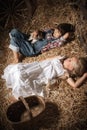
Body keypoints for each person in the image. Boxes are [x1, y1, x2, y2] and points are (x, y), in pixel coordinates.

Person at [2, 55, 87, 100]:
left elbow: (75, 85)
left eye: (70, 60)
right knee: (17, 69)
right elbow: (47, 59)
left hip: (41, 75)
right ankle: (13, 80)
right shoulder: (60, 58)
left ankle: (15, 94)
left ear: (71, 68)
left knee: (22, 79)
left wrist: (85, 75)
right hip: (38, 67)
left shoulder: (65, 73)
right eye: (71, 58)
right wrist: (37, 63)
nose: (69, 58)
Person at [9, 23, 74, 63]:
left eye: (58, 33)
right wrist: (37, 32)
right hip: (30, 40)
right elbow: (41, 32)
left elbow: (63, 38)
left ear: (62, 35)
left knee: (14, 40)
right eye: (56, 30)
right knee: (14, 31)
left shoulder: (56, 41)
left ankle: (16, 59)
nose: (55, 32)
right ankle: (19, 46)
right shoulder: (50, 31)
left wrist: (67, 33)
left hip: (31, 49)